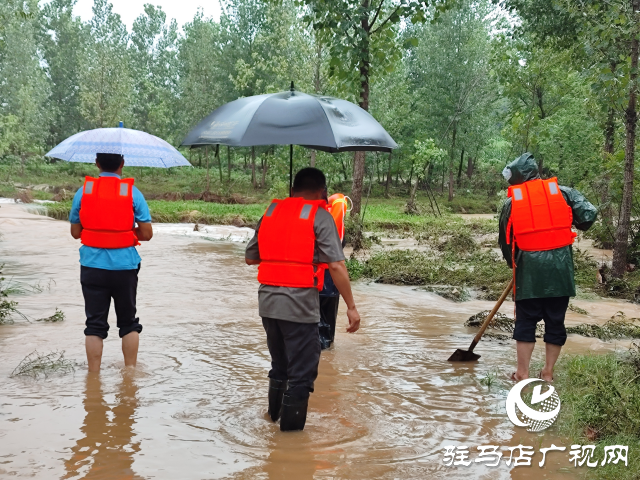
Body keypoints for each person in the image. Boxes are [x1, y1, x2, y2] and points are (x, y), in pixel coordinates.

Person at [245, 167, 361, 431]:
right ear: (322, 191)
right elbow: (336, 266)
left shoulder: (271, 212)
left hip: (268, 304)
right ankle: (289, 445)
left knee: (280, 367)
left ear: (292, 190)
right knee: (302, 375)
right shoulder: (321, 216)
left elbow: (251, 257)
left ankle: (271, 421)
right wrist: (352, 308)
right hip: (299, 306)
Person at [498, 153, 597, 383]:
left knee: (525, 322)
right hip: (560, 274)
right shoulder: (564, 193)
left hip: (529, 276)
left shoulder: (512, 202)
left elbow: (506, 242)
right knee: (555, 322)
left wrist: (514, 264)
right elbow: (589, 216)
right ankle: (548, 372)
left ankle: (522, 374)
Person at [69, 153, 153, 373]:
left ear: (97, 164)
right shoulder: (133, 193)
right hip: (125, 267)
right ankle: (130, 373)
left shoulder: (83, 192)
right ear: (122, 164)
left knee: (94, 325)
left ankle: (93, 377)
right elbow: (147, 233)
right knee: (128, 323)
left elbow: (75, 232)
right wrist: (125, 233)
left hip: (92, 266)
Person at [319, 193, 348, 350]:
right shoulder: (336, 212)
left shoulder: (307, 217)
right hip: (329, 281)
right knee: (326, 334)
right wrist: (351, 307)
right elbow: (337, 263)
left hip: (307, 281)